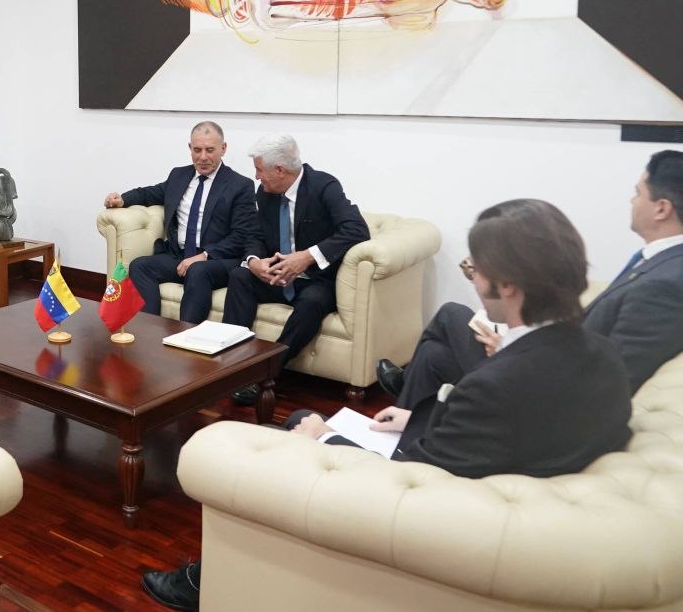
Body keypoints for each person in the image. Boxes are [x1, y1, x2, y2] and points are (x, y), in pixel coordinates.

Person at [142, 199, 633, 611]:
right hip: (500, 491)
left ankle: (206, 584)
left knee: (283, 435)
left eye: (474, 270)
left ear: (507, 285)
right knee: (312, 419)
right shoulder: (605, 356)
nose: (472, 280)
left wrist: (327, 439)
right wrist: (420, 416)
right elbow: (505, 429)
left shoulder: (496, 385)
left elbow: (413, 486)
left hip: (426, 515)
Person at [379, 150, 683, 406]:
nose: (631, 200)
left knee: (450, 315)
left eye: (638, 193)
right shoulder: (661, 262)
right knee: (434, 355)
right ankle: (402, 423)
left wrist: (513, 349)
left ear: (661, 208)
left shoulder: (664, 285)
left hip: (545, 390)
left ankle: (403, 407)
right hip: (550, 361)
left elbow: (611, 379)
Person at [222, 134, 369, 405]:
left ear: (279, 169)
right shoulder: (265, 193)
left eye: (259, 170)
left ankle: (266, 373)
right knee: (239, 276)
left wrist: (308, 257)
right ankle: (230, 366)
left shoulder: (323, 186)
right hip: (277, 276)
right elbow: (254, 234)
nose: (256, 177)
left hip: (316, 280)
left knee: (312, 302)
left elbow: (357, 230)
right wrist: (254, 261)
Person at [104, 121, 257, 324]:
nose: (203, 157)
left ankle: (186, 335)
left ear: (223, 148)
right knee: (140, 266)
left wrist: (204, 256)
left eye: (210, 150)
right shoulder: (179, 175)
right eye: (197, 150)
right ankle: (149, 329)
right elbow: (150, 193)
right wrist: (122, 199)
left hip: (216, 260)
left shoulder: (240, 185)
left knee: (197, 270)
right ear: (190, 148)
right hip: (179, 255)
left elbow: (241, 236)